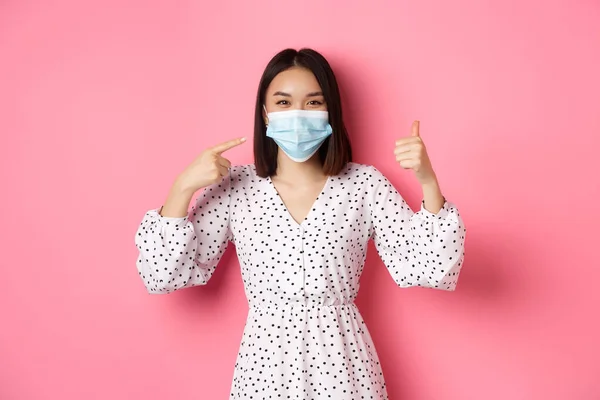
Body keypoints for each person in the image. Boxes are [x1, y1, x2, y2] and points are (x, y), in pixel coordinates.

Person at [135, 48, 466, 399]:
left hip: (343, 364)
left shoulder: (363, 184)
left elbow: (430, 268)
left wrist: (427, 181)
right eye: (283, 102)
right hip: (264, 368)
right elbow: (162, 275)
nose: (297, 114)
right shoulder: (235, 187)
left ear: (330, 112)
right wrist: (183, 186)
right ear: (265, 113)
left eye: (312, 102)